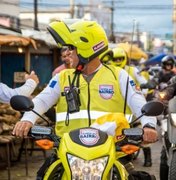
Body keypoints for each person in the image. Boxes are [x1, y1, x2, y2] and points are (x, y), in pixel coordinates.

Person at [12, 20, 158, 178]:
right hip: (67, 152)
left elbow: (139, 103)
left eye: (71, 48)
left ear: (86, 49)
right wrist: (27, 120)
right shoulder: (62, 77)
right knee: (43, 176)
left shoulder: (119, 75)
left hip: (110, 151)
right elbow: (41, 101)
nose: (67, 53)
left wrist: (148, 125)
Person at [101, 46, 153, 167]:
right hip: (116, 111)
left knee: (142, 133)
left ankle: (148, 157)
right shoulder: (109, 71)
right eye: (116, 59)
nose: (118, 61)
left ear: (124, 58)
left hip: (132, 111)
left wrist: (146, 84)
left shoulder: (133, 70)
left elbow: (142, 81)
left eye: (121, 59)